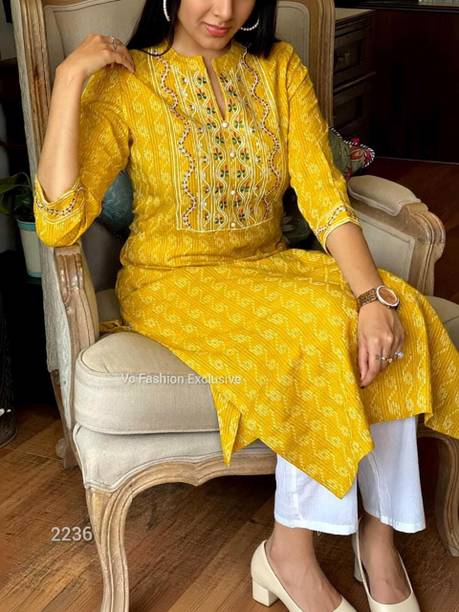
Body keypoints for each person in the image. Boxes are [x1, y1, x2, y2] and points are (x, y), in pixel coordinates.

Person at [33, 1, 459, 611]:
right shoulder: (126, 81)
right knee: (317, 332)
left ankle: (379, 540)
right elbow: (59, 223)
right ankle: (289, 557)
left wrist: (371, 296)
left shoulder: (279, 68)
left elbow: (323, 196)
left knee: (399, 313)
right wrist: (70, 78)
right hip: (172, 281)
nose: (224, 10)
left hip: (267, 264)